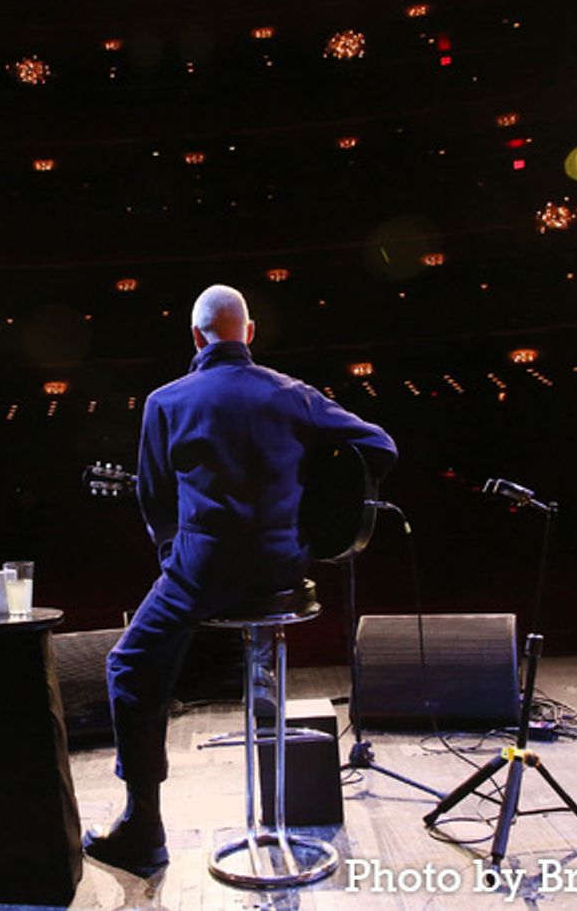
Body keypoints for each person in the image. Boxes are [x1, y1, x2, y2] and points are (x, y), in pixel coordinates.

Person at [84, 284, 396, 876]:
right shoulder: (293, 394)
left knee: (129, 664)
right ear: (249, 334)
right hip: (286, 563)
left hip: (203, 566)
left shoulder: (166, 401)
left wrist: (179, 557)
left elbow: (155, 501)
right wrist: (317, 508)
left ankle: (143, 828)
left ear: (196, 336)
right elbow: (379, 444)